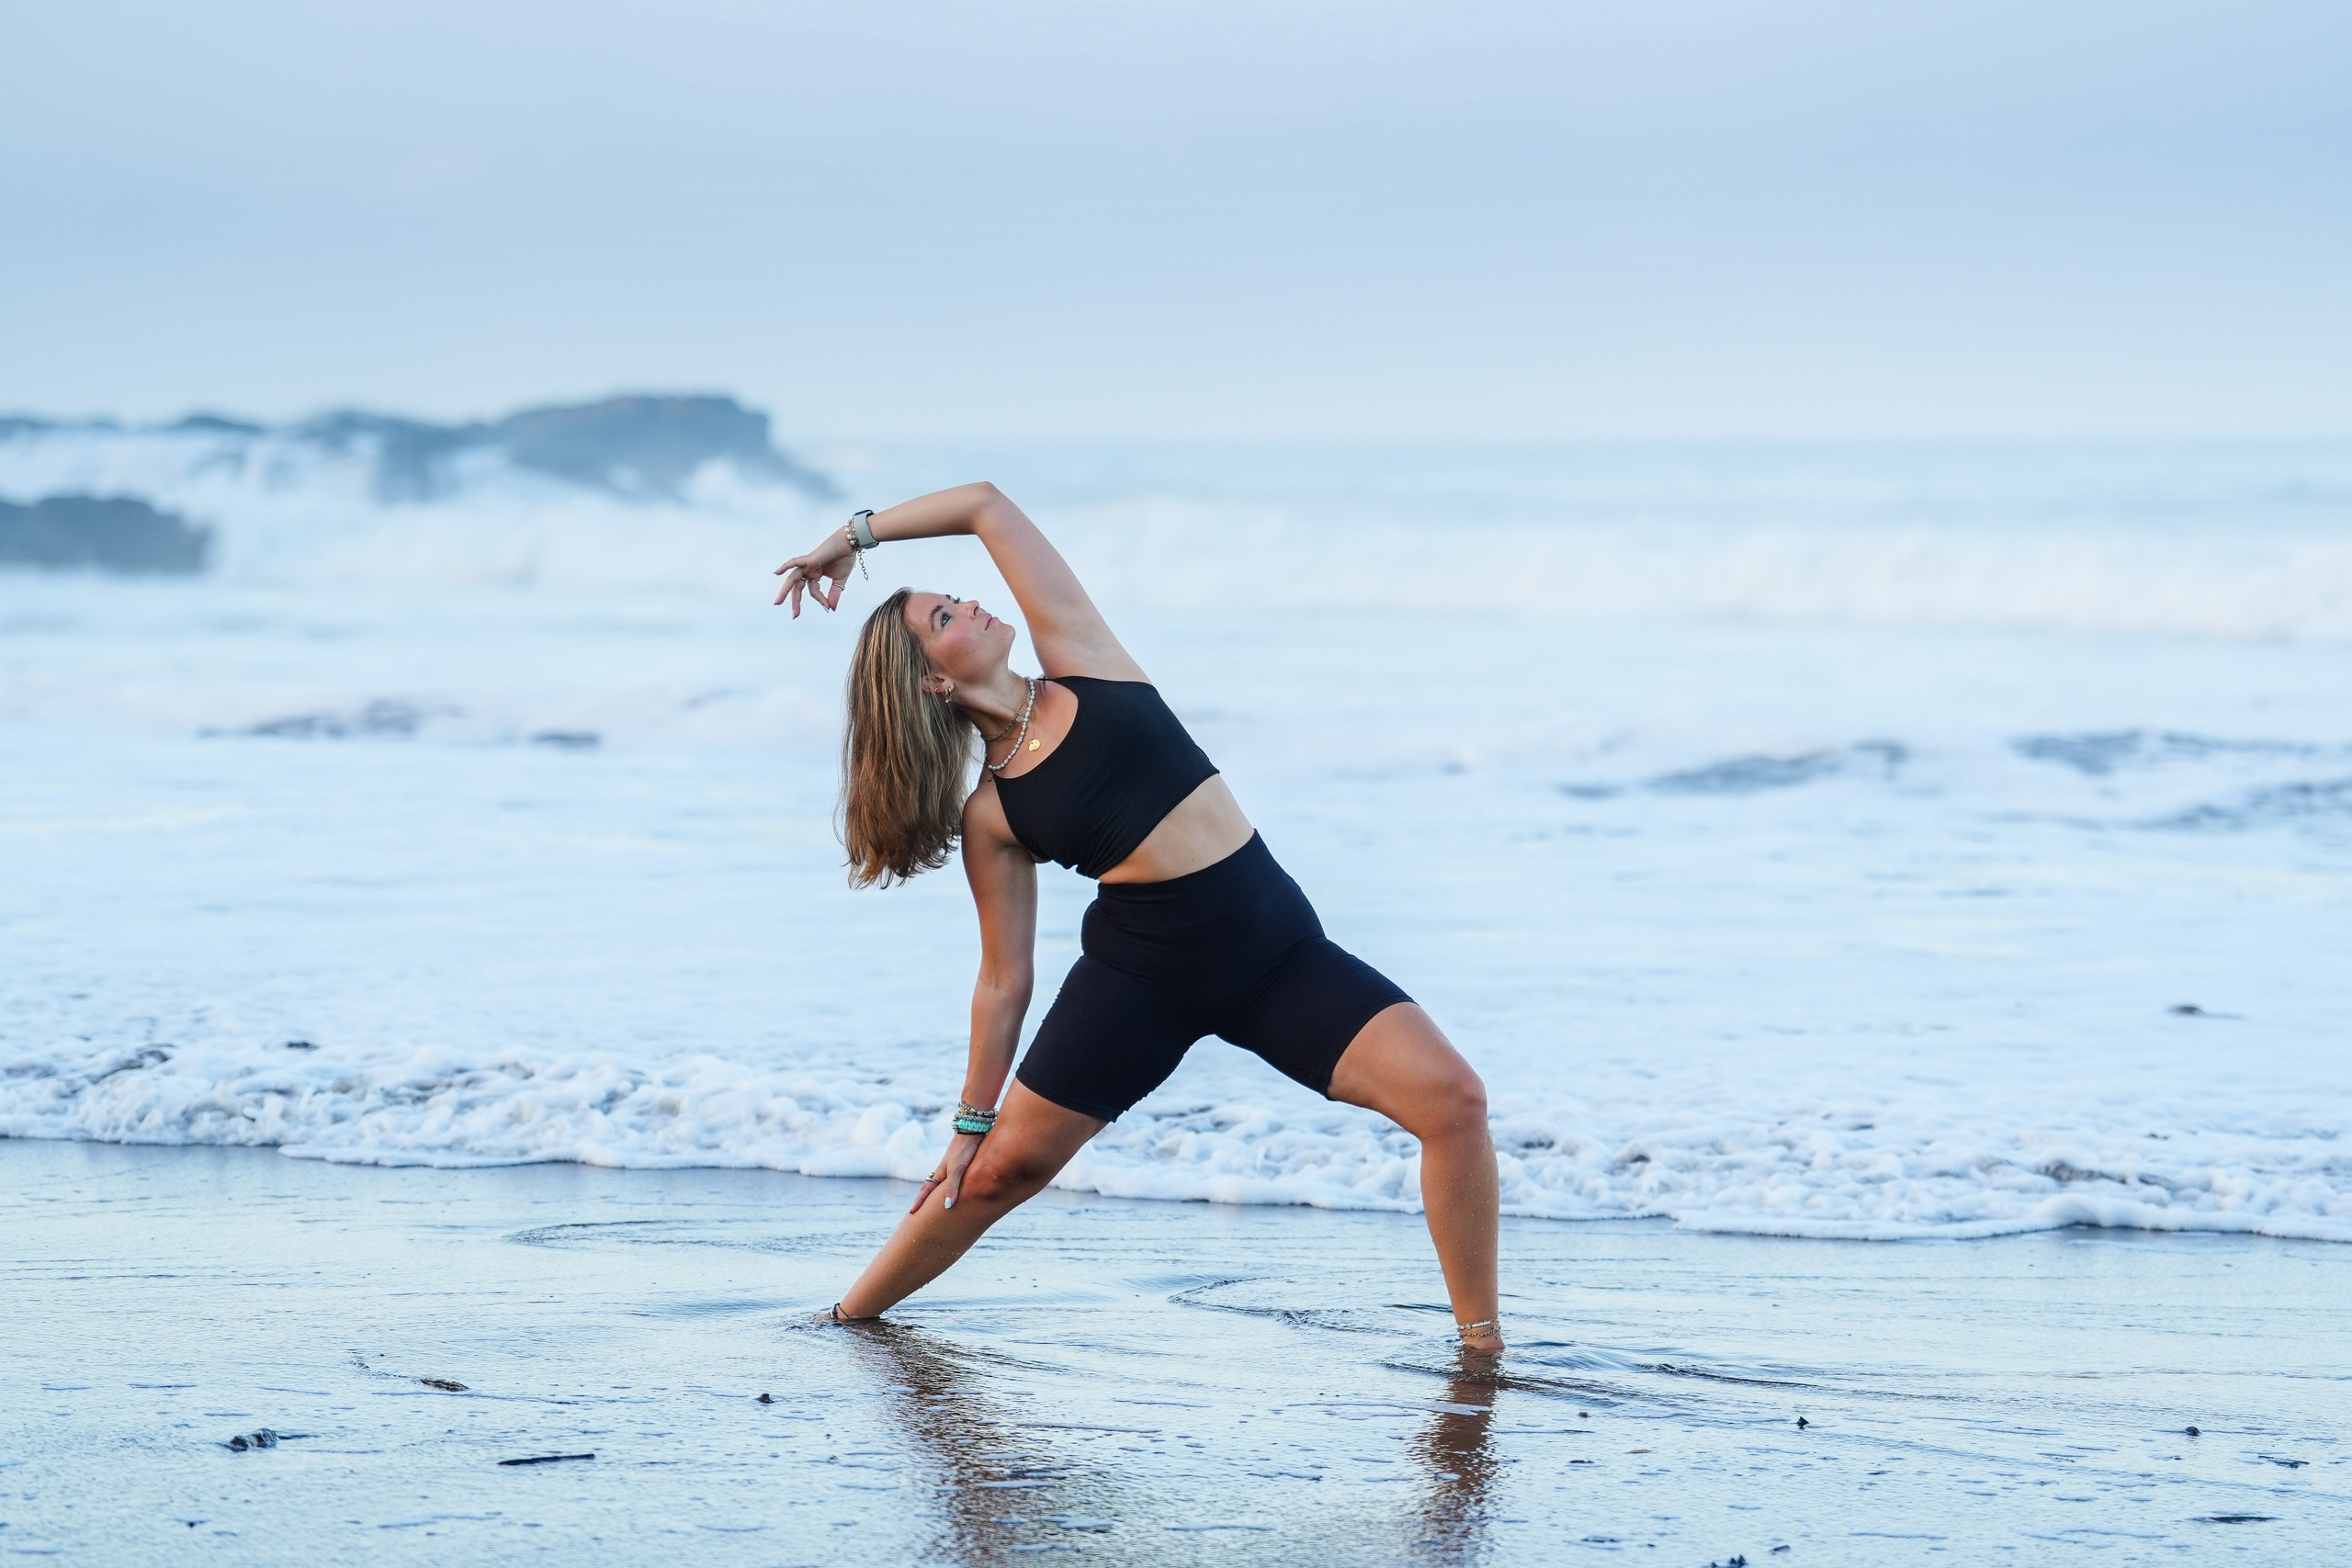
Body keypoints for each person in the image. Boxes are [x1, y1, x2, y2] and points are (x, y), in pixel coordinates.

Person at [773, 483, 1503, 1352]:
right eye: (944, 617)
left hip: (1278, 955)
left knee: (1455, 1101)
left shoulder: (1084, 657)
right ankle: (847, 1319)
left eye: (952, 595)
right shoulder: (993, 816)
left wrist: (850, 539)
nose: (969, 599)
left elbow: (984, 507)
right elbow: (1004, 978)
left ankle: (1481, 1346)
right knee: (1002, 1170)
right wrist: (971, 1121)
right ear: (934, 678)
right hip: (1142, 979)